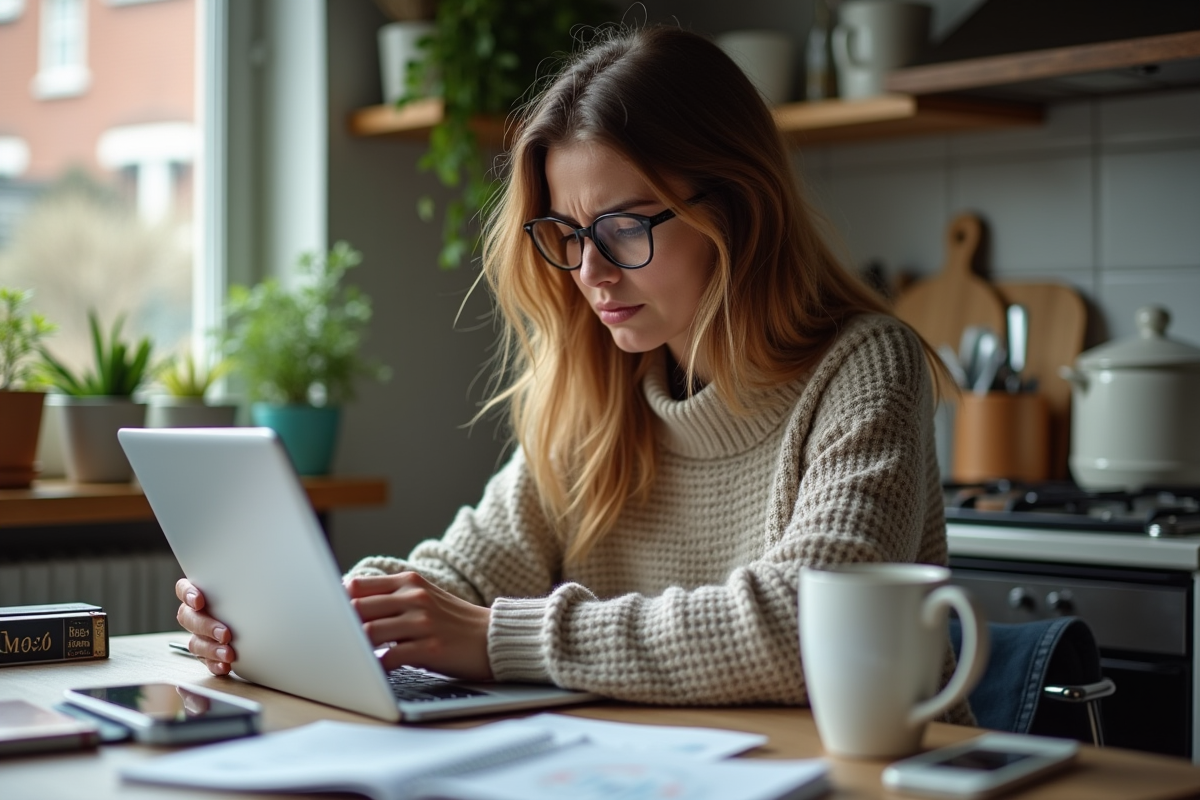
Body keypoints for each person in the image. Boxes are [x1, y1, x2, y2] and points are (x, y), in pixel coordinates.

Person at [177, 25, 972, 724]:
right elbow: (462, 575)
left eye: (624, 228)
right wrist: (305, 610)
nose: (589, 271)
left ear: (736, 207)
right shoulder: (601, 393)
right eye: (566, 232)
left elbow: (809, 625)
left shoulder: (865, 367)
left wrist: (499, 639)